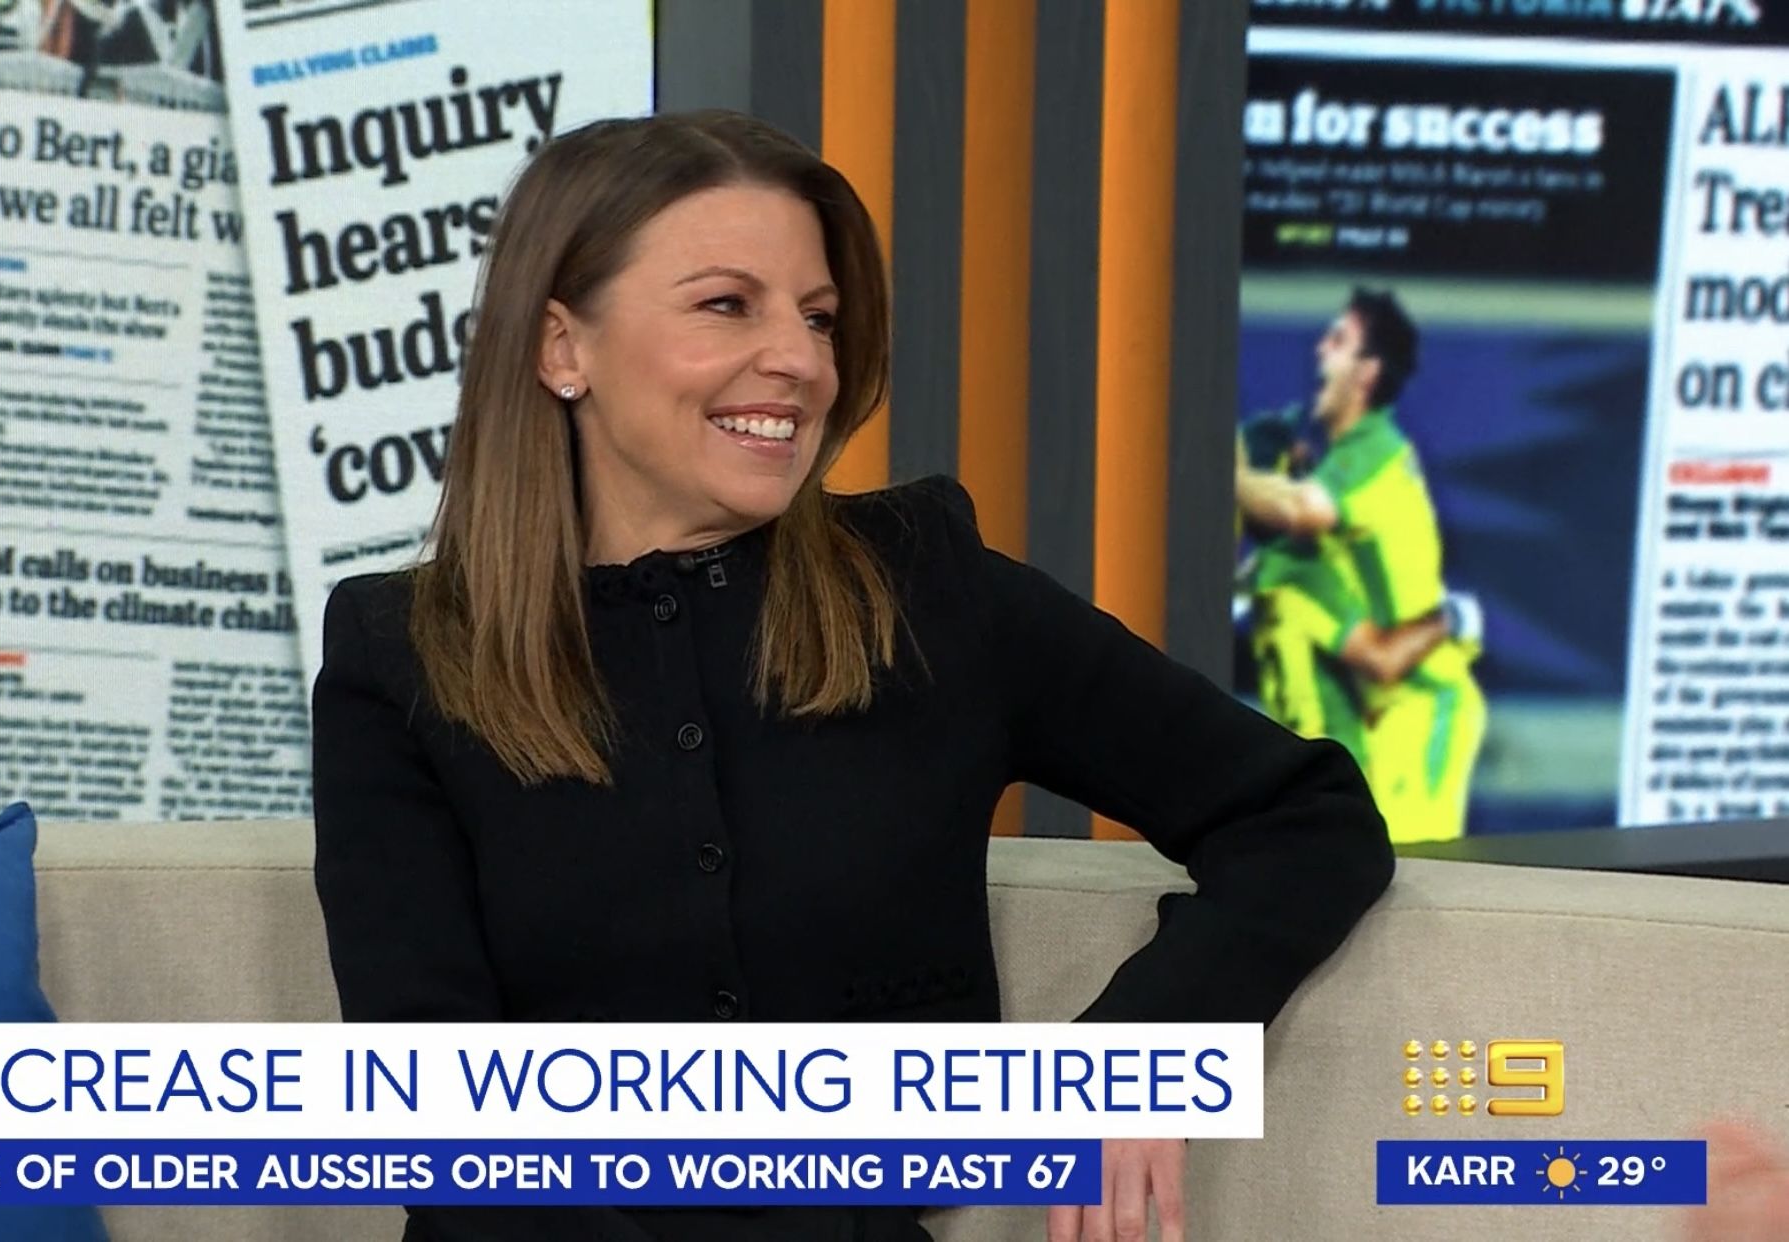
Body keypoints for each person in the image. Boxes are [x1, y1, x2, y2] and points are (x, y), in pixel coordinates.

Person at [313, 110, 1395, 1242]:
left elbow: (1301, 818)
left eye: (818, 316)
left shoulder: (926, 590)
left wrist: (1136, 1061)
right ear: (560, 347)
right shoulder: (405, 652)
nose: (801, 360)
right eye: (727, 304)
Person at [1235, 289, 1486, 845]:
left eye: (1338, 340)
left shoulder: (1372, 453)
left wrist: (1225, 471)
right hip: (1376, 710)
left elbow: (1299, 510)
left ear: (1368, 372)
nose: (1319, 350)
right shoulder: (1281, 563)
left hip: (1421, 701)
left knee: (1416, 878)